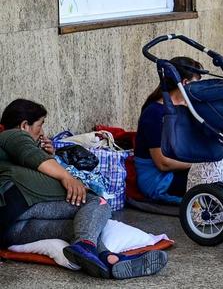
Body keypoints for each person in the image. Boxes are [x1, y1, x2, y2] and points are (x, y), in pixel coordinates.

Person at [0, 99, 167, 279]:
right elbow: (32, 156)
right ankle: (89, 247)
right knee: (98, 201)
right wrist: (67, 177)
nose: (42, 132)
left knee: (80, 227)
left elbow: (33, 160)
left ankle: (109, 260)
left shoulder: (13, 155)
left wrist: (49, 155)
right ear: (24, 125)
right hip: (21, 203)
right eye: (40, 125)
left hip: (12, 229)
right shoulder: (12, 135)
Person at [134, 56, 202, 204]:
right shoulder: (155, 113)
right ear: (185, 83)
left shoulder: (188, 109)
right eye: (197, 84)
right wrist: (200, 165)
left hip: (179, 170)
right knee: (217, 180)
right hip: (159, 180)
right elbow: (163, 163)